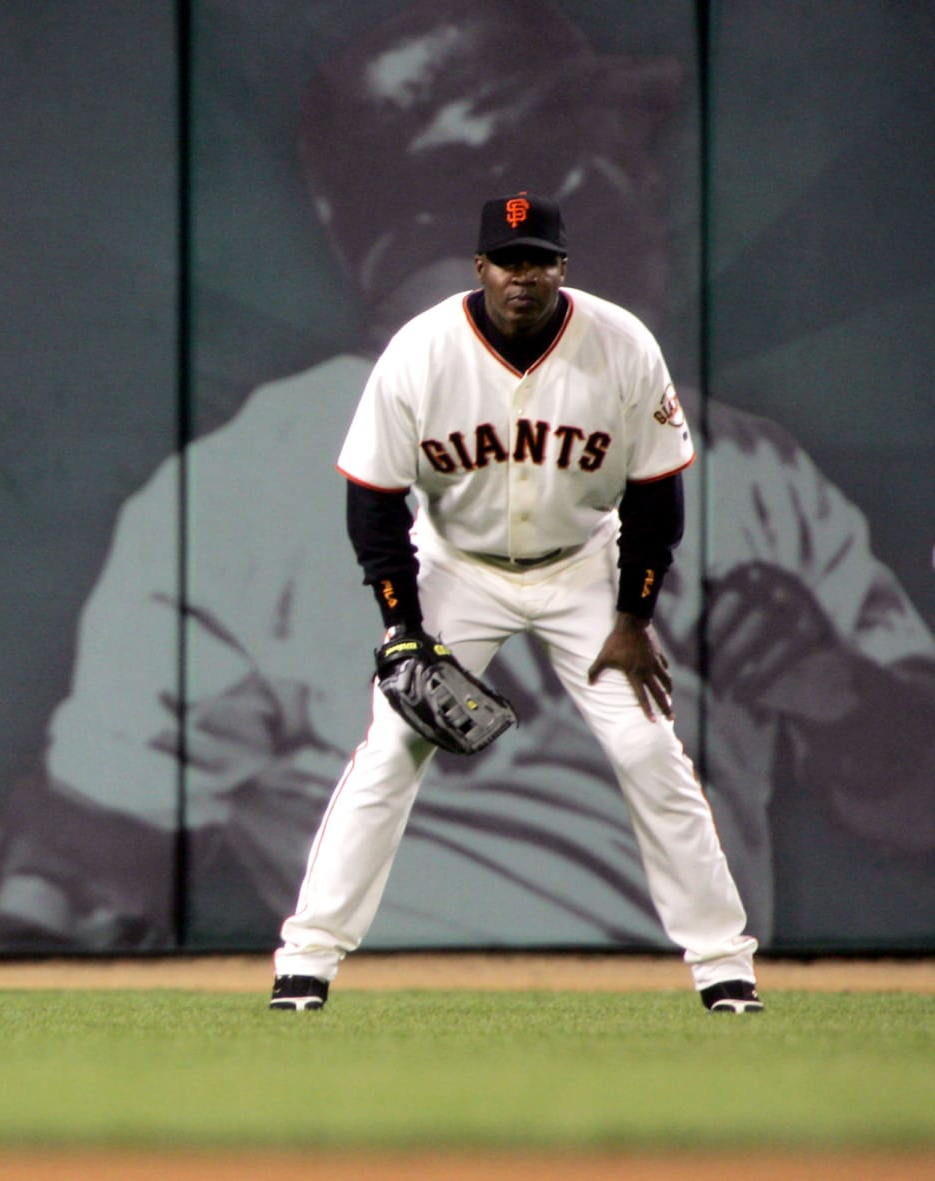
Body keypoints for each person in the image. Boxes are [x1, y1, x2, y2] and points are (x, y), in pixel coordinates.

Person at [0, 0, 935, 960]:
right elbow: (72, 880)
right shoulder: (250, 492)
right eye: (611, 152)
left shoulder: (748, 470)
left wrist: (846, 704)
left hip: (695, 1060)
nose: (646, 186)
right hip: (400, 1081)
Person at [269, 192, 761, 1013]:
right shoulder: (421, 351)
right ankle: (305, 962)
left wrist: (634, 617)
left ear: (563, 268)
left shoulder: (623, 346)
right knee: (390, 749)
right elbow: (374, 501)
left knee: (649, 752)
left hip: (581, 573)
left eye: (538, 259)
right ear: (480, 267)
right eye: (507, 260)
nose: (522, 276)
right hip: (459, 568)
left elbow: (656, 496)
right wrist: (403, 628)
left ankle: (724, 968)